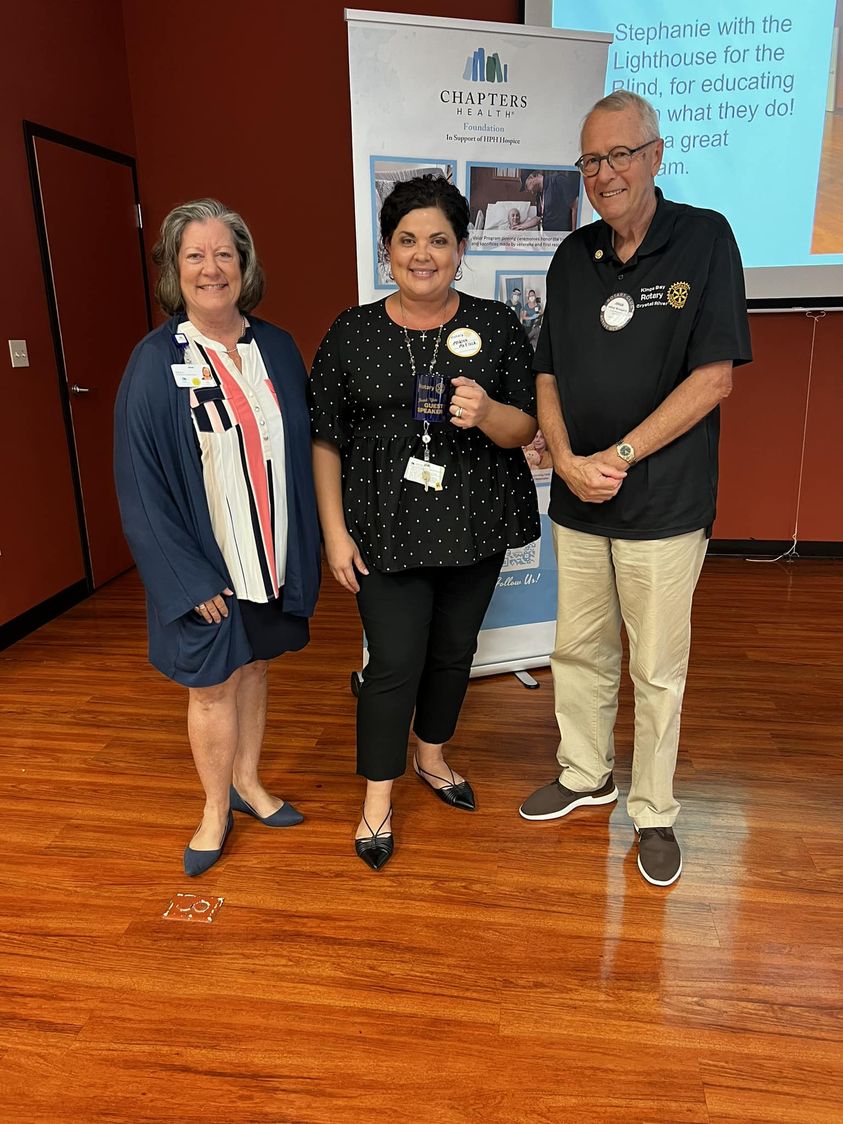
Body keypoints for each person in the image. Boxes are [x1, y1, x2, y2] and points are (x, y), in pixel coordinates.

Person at [519, 91, 752, 887]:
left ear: (655, 155)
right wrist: (563, 455)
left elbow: (713, 379)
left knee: (654, 669)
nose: (604, 173)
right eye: (590, 159)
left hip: (662, 502)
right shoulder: (570, 255)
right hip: (577, 499)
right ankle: (585, 774)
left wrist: (616, 455)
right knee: (577, 650)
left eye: (620, 154)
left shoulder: (704, 239)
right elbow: (546, 372)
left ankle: (652, 811)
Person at [309, 174, 539, 870]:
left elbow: (524, 427)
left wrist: (487, 412)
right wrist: (334, 533)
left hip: (475, 521)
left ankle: (431, 756)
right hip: (382, 528)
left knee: (452, 653)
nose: (422, 254)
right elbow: (325, 439)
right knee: (393, 663)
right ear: (387, 249)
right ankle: (377, 797)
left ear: (461, 249)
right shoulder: (351, 332)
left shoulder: (496, 325)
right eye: (407, 240)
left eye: (438, 240)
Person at [114, 199, 321, 877]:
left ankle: (248, 783)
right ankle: (213, 808)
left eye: (224, 254)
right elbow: (140, 484)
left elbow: (303, 451)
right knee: (211, 686)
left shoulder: (277, 348)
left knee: (255, 667)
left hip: (271, 554)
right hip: (207, 566)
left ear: (244, 264)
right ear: (174, 270)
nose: (211, 269)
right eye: (195, 256)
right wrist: (186, 579)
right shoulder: (154, 362)